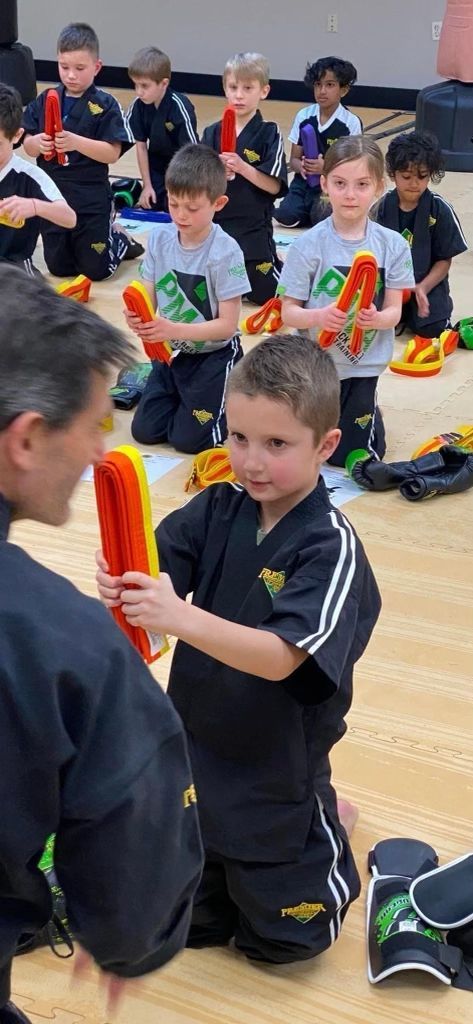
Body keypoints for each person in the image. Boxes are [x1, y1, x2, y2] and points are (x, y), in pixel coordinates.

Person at [96, 332, 382, 965]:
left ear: (325, 446)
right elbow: (159, 564)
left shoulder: (329, 546)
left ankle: (330, 819)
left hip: (276, 767)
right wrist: (125, 576)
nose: (252, 462)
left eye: (277, 445)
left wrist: (177, 617)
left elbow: (284, 656)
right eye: (239, 438)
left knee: (284, 944)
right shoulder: (221, 505)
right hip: (198, 749)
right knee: (190, 926)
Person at [0, 264, 203, 1024]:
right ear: (25, 438)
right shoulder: (68, 650)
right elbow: (133, 853)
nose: (96, 455)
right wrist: (129, 940)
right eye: (92, 427)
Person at [278, 136, 415, 467]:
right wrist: (319, 316)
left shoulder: (393, 245)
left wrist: (378, 319)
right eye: (340, 183)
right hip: (317, 369)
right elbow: (289, 313)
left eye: (362, 184)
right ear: (324, 184)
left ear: (379, 187)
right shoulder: (307, 245)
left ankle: (367, 412)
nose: (350, 194)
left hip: (362, 366)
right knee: (301, 447)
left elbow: (395, 312)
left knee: (348, 457)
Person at [128, 143, 250, 453]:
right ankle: (188, 398)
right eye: (173, 204)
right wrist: (138, 313)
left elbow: (227, 326)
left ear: (218, 203)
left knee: (189, 441)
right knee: (145, 431)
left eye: (192, 208)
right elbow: (147, 292)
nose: (181, 215)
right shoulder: (159, 238)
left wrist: (172, 329)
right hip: (172, 353)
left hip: (214, 355)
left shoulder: (225, 251)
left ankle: (234, 399)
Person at [21, 22, 143, 280]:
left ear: (96, 67)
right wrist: (37, 143)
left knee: (96, 271)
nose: (71, 75)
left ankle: (119, 238)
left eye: (79, 68)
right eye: (64, 67)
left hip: (90, 199)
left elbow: (111, 152)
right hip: (54, 197)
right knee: (59, 268)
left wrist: (76, 142)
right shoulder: (46, 99)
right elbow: (27, 142)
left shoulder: (105, 104)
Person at [202, 52, 287, 305]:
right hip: (216, 227)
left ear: (264, 91)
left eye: (248, 88)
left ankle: (283, 267)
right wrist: (217, 171)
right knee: (211, 294)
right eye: (233, 87)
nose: (239, 95)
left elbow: (274, 186)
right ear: (225, 89)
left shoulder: (269, 133)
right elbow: (197, 181)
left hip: (252, 230)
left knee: (267, 295)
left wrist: (242, 167)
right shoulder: (211, 132)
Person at [373, 130, 467, 338]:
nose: (414, 184)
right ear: (392, 174)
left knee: (431, 328)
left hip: (427, 282)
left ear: (431, 174)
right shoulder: (379, 208)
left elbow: (444, 260)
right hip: (389, 283)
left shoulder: (440, 209)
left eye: (422, 176)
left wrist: (423, 288)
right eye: (406, 176)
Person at [274, 56, 361, 229]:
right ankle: (304, 209)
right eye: (318, 84)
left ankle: (315, 211)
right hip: (303, 182)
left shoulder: (350, 123)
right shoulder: (304, 116)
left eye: (329, 85)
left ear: (343, 90)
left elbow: (355, 166)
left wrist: (326, 168)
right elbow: (294, 159)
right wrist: (302, 167)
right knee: (285, 216)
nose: (322, 91)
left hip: (332, 185)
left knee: (323, 217)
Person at [0, 84, 76, 275]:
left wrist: (35, 206)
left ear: (17, 135)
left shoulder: (29, 176)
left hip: (14, 269)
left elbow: (69, 218)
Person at [126, 46, 198, 211]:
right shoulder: (138, 106)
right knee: (152, 202)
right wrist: (147, 185)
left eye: (144, 86)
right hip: (157, 165)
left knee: (175, 205)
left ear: (164, 83)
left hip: (183, 166)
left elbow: (193, 152)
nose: (139, 92)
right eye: (135, 85)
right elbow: (141, 146)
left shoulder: (180, 107)